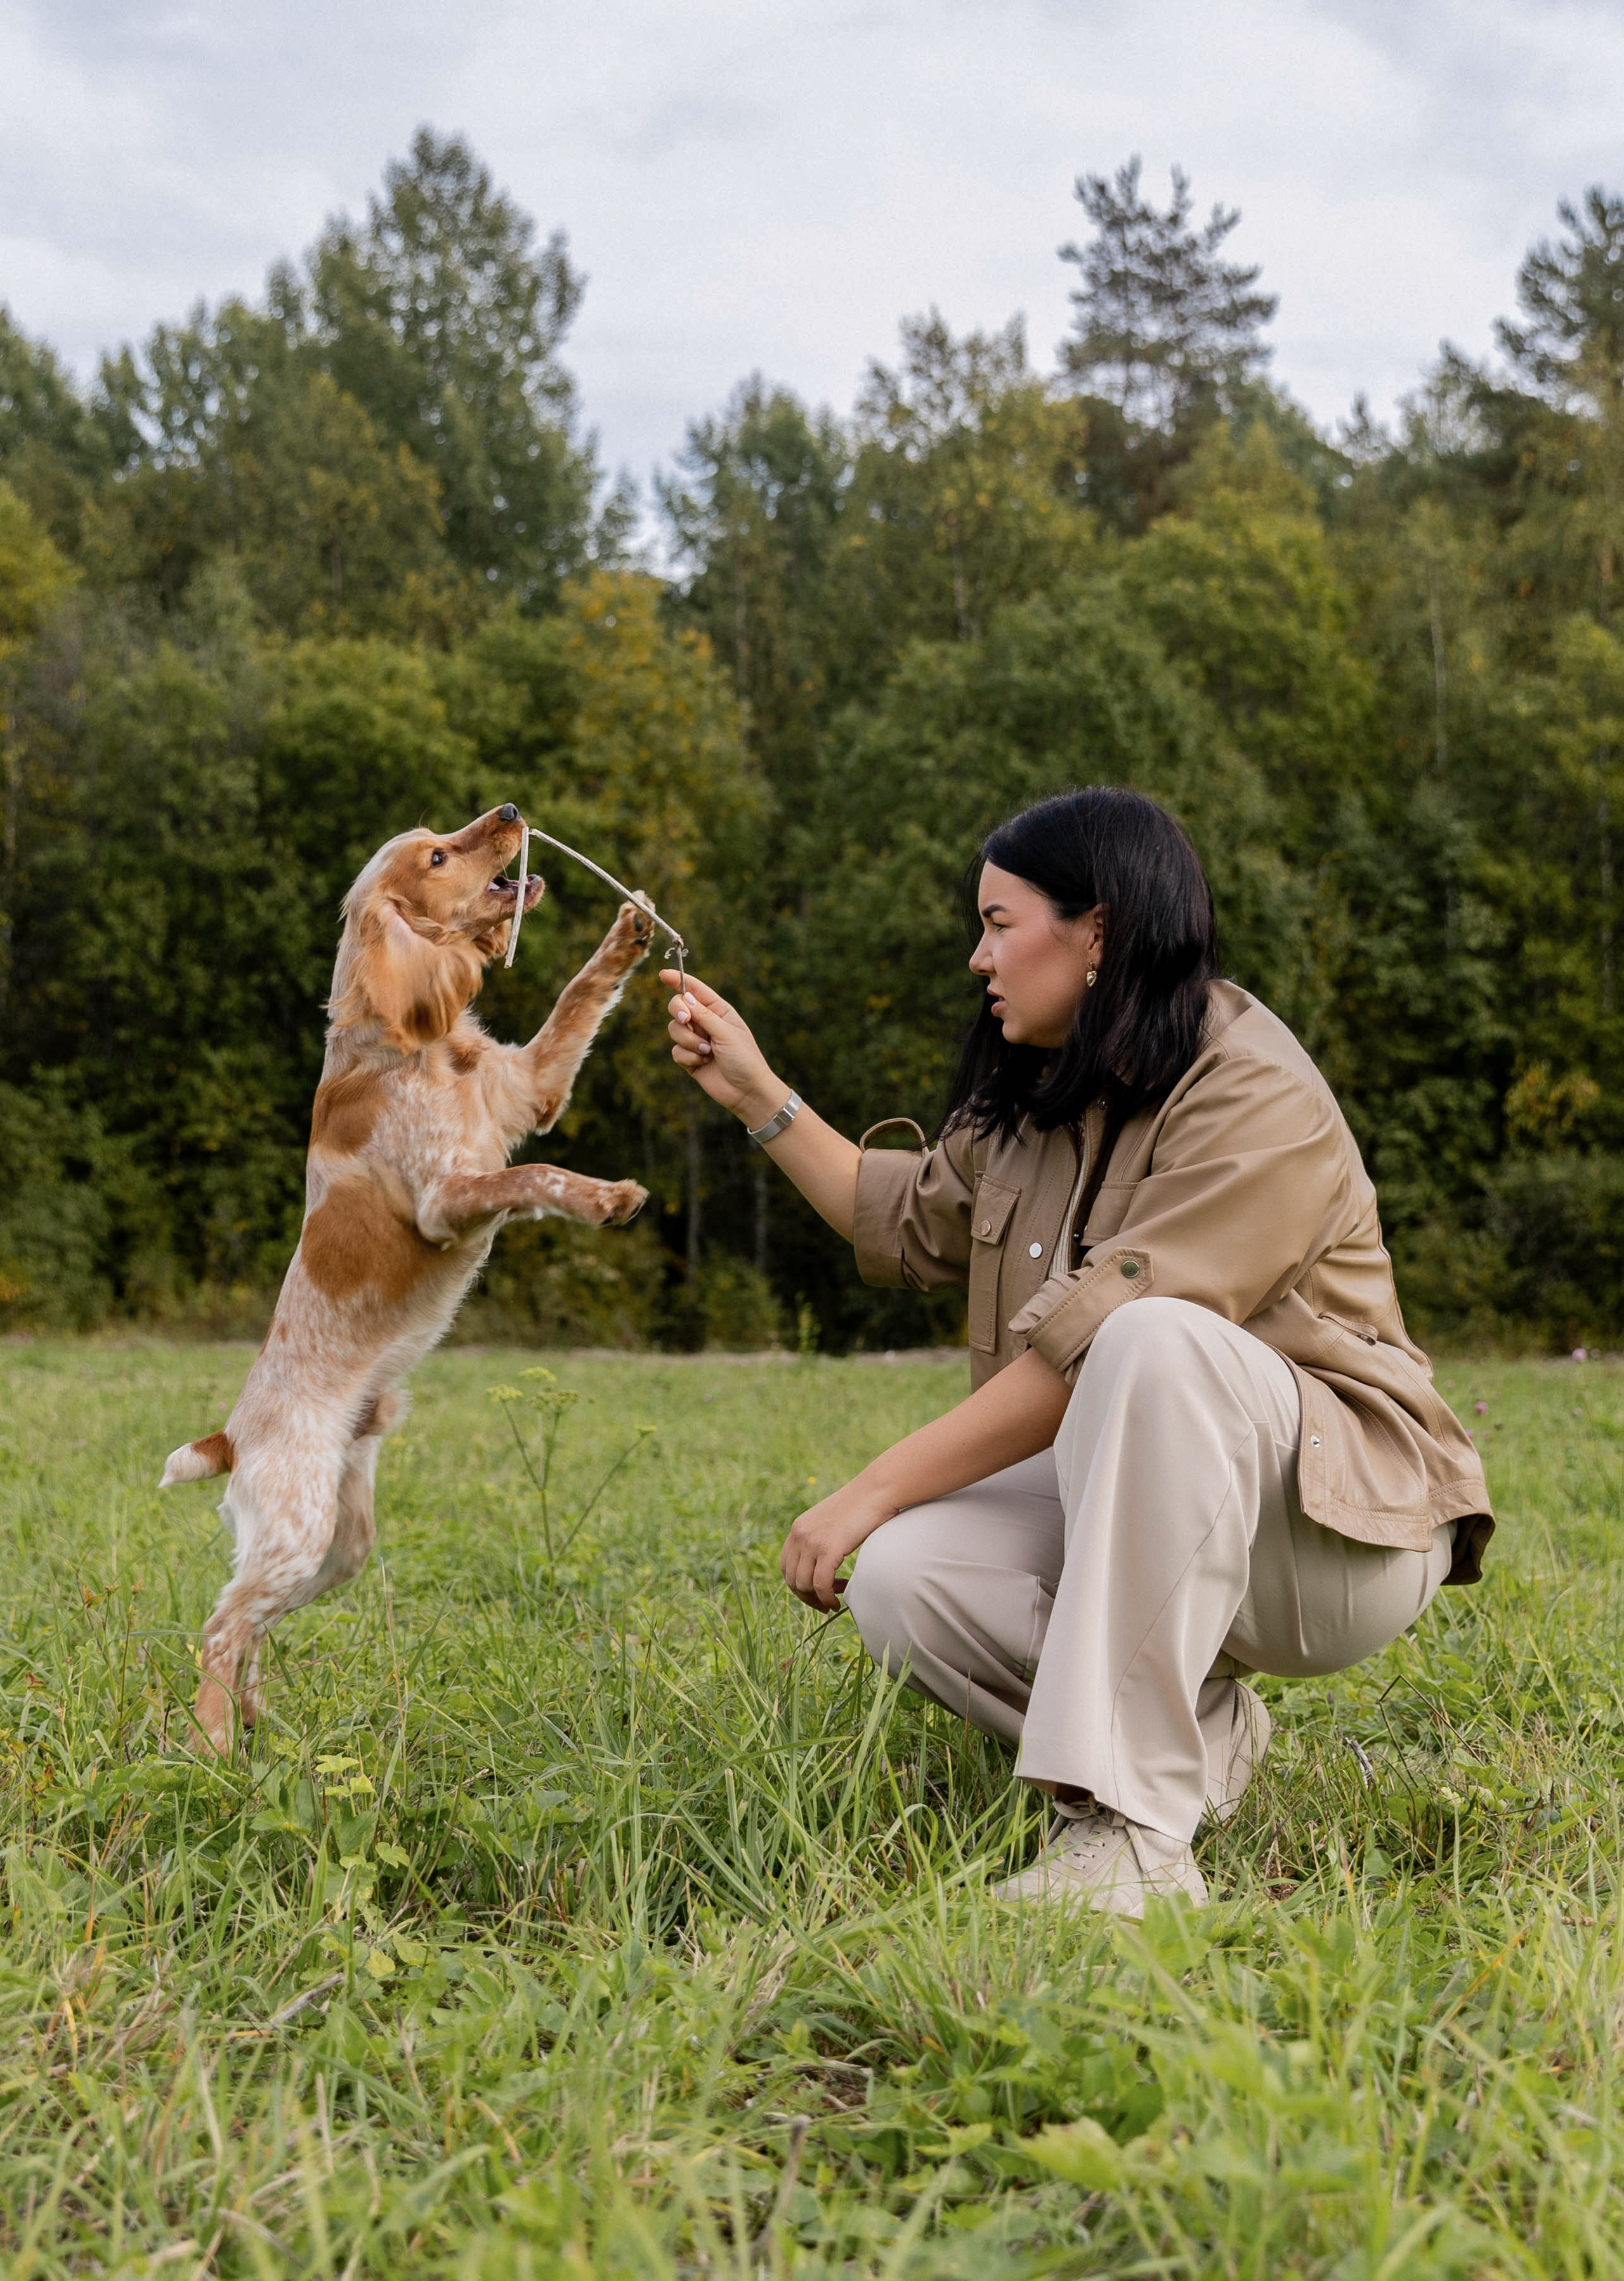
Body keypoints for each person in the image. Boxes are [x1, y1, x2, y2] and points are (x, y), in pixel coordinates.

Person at [663, 787, 1493, 1916]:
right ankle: (1194, 1733)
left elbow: (1095, 1349)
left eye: (1001, 923)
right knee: (906, 1581)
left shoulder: (1253, 1086)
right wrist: (755, 1091)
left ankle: (1136, 1840)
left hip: (1334, 1537)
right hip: (1167, 1518)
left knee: (1145, 1336)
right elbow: (899, 1214)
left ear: (1096, 930)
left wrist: (867, 1488)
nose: (977, 956)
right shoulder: (1044, 1095)